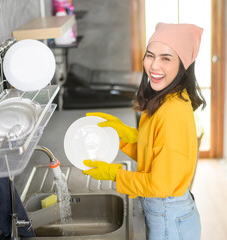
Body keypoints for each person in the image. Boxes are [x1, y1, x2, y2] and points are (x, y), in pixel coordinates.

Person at [82, 22, 206, 240]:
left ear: (182, 65)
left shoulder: (172, 112)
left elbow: (158, 185)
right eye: (150, 55)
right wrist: (119, 138)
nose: (154, 66)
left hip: (169, 219)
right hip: (168, 213)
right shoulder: (168, 98)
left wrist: (113, 174)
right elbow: (157, 156)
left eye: (166, 58)